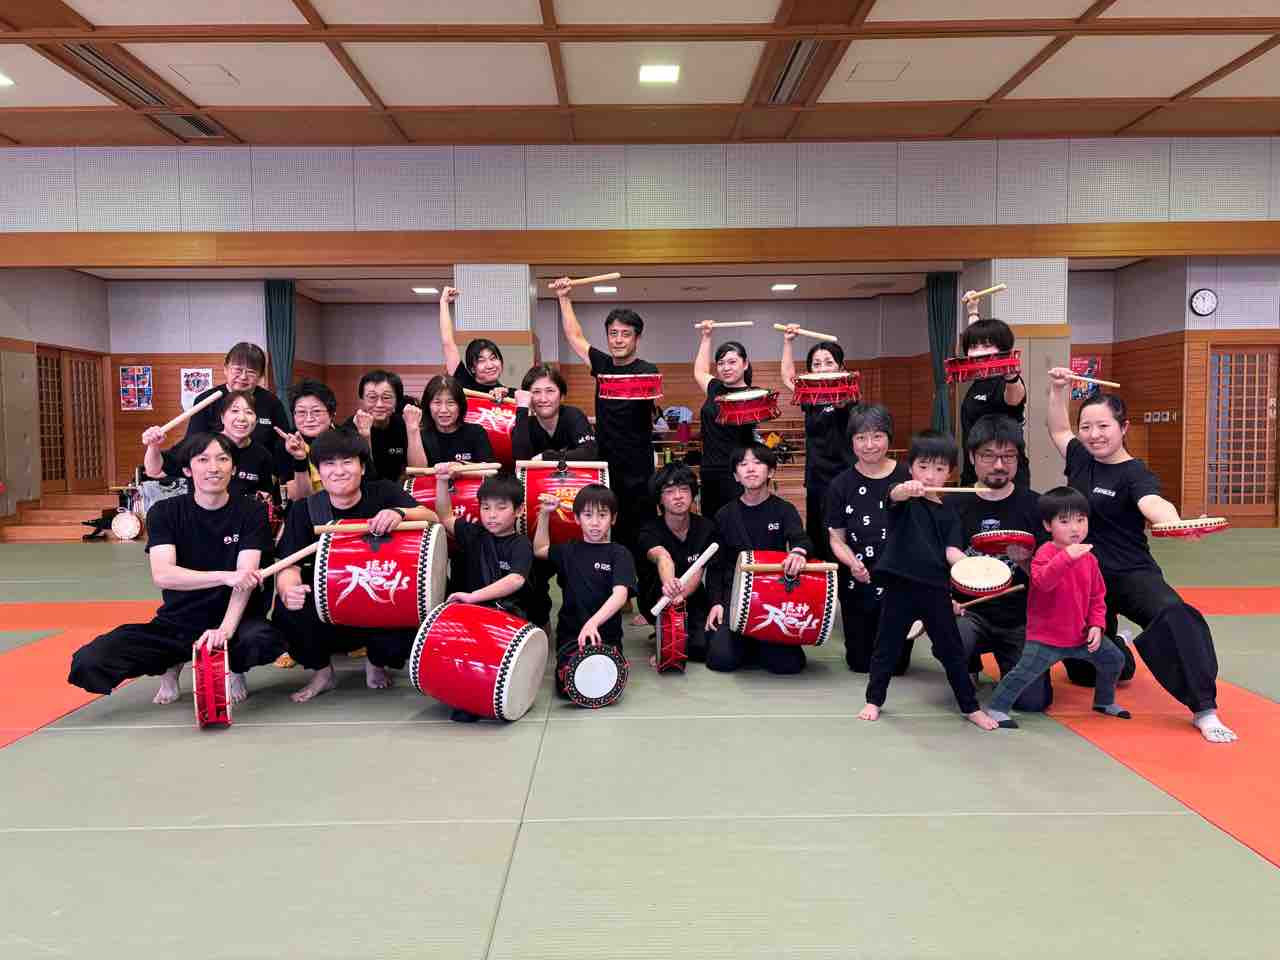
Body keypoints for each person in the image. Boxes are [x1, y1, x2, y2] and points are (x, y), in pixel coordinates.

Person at [1046, 369, 1236, 742]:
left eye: (1103, 426)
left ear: (1124, 428)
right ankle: (1120, 649)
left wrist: (1175, 523)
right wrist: (1057, 389)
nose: (1094, 434)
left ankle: (1204, 709)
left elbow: (1153, 504)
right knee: (1086, 674)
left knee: (1175, 615)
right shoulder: (1080, 458)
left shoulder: (1135, 474)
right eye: (1087, 427)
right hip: (1084, 578)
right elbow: (1057, 429)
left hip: (1129, 572)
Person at [68, 433, 283, 704]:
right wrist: (225, 576)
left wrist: (225, 631)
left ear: (234, 468)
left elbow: (245, 582)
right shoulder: (165, 512)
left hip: (236, 621)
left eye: (222, 459)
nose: (214, 467)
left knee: (262, 639)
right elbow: (164, 575)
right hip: (179, 621)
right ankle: (171, 664)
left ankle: (233, 665)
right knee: (90, 661)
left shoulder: (251, 512)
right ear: (187, 470)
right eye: (203, 460)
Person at [272, 428, 433, 703]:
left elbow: (430, 516)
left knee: (417, 607)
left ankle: (377, 661)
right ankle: (323, 673)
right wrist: (289, 589)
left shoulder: (383, 492)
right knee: (287, 611)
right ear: (319, 470)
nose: (339, 471)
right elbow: (290, 565)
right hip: (330, 611)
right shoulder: (305, 509)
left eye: (347, 462)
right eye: (329, 464)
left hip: (381, 602)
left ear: (362, 467)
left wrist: (400, 512)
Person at [858, 430, 998, 730]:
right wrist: (905, 489)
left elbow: (951, 551)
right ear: (910, 467)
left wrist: (974, 567)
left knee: (951, 651)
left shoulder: (949, 512)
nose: (930, 475)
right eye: (923, 466)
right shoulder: (903, 499)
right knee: (886, 647)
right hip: (899, 586)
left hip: (935, 590)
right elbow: (893, 495)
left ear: (950, 473)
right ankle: (873, 700)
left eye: (939, 468)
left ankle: (970, 707)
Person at [985, 487, 1131, 729]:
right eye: (1064, 522)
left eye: (1080, 520)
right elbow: (1043, 582)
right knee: (1022, 673)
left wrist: (1097, 625)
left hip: (1080, 636)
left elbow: (1097, 596)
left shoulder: (1090, 558)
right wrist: (1067, 557)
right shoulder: (1045, 553)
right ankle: (997, 708)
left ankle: (1104, 702)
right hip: (1045, 638)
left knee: (1114, 660)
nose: (1075, 528)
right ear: (1047, 525)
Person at [551, 277, 659, 555]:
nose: (618, 339)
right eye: (613, 333)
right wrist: (564, 298)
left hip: (638, 466)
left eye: (625, 334)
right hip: (606, 463)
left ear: (636, 338)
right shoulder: (602, 363)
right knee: (607, 529)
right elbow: (575, 337)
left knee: (640, 532)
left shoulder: (647, 370)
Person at [953, 415, 1052, 712]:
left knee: (1033, 702)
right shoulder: (954, 504)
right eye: (989, 456)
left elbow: (1050, 577)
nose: (999, 464)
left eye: (1008, 456)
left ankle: (1011, 663)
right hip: (969, 613)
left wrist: (1027, 562)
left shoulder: (1037, 506)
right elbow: (936, 564)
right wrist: (945, 601)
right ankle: (968, 664)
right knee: (954, 637)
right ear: (972, 457)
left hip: (1020, 619)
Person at [432, 463, 535, 721]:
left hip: (506, 620)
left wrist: (472, 597)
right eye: (486, 507)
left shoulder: (521, 544)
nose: (492, 515)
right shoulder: (474, 534)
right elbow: (445, 516)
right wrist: (442, 481)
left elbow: (515, 580)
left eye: (501, 508)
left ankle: (485, 693)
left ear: (519, 510)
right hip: (473, 617)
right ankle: (470, 694)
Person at [704, 443, 811, 675]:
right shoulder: (724, 515)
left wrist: (797, 552)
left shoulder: (785, 510)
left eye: (757, 463)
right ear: (736, 475)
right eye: (743, 464)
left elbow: (801, 540)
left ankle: (756, 644)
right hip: (735, 599)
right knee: (720, 660)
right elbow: (716, 566)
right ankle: (749, 643)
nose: (750, 469)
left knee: (788, 665)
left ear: (770, 471)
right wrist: (716, 603)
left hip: (772, 600)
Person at [824, 404, 911, 674]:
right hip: (858, 579)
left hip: (899, 580)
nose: (869, 445)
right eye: (861, 437)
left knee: (895, 665)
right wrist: (852, 563)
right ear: (851, 442)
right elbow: (836, 538)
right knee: (860, 663)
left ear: (889, 437)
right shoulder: (840, 484)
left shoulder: (908, 477)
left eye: (877, 436)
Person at [532, 483, 638, 698]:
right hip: (572, 635)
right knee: (569, 687)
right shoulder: (568, 550)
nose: (595, 522)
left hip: (606, 636)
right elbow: (540, 549)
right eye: (588, 515)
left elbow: (620, 596)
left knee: (605, 684)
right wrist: (544, 514)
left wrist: (593, 623)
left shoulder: (620, 553)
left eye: (602, 515)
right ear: (577, 518)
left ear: (613, 518)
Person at [781, 326, 855, 560]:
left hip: (844, 473)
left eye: (829, 362)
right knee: (818, 531)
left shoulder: (848, 394)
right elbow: (787, 377)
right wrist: (788, 341)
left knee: (841, 530)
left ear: (840, 367)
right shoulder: (809, 397)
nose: (822, 368)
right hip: (816, 475)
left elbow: (844, 402)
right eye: (816, 364)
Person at [637, 463, 718, 663]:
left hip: (690, 594)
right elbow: (662, 557)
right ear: (660, 498)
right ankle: (664, 632)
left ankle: (677, 635)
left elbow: (698, 571)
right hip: (658, 595)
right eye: (669, 491)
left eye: (684, 489)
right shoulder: (649, 530)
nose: (678, 496)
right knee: (678, 642)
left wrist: (680, 595)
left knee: (704, 647)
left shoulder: (706, 528)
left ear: (693, 493)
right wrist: (670, 586)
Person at [143, 390, 278, 502]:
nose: (242, 418)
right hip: (199, 519)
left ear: (256, 420)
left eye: (249, 412)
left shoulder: (262, 455)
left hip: (242, 522)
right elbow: (154, 471)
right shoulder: (199, 444)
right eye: (235, 411)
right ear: (222, 417)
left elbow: (266, 495)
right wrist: (153, 446)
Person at [184, 341, 291, 475]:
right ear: (225, 369)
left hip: (260, 476)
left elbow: (283, 445)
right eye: (238, 370)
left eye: (251, 372)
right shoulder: (206, 400)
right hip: (214, 474)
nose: (243, 377)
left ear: (261, 376)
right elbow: (192, 443)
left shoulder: (272, 402)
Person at [956, 302, 1029, 487]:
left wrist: (1011, 375)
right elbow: (976, 343)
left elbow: (1015, 397)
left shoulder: (1006, 382)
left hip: (1004, 476)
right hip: (973, 471)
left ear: (1003, 350)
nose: (977, 352)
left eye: (987, 346)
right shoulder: (980, 379)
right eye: (973, 347)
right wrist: (972, 311)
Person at [694, 328, 760, 520]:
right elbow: (699, 371)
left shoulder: (754, 395)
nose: (726, 367)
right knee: (711, 523)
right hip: (710, 470)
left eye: (732, 362)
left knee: (738, 523)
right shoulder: (714, 388)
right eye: (721, 363)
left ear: (745, 364)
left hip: (738, 472)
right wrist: (706, 337)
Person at [511, 364, 597, 462]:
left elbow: (590, 452)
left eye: (550, 391)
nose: (543, 399)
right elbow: (521, 461)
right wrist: (522, 408)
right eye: (536, 392)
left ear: (562, 396)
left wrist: (548, 457)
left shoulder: (573, 415)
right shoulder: (524, 423)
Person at [406, 375, 495, 467]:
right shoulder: (420, 436)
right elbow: (417, 471)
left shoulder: (476, 432)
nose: (443, 410)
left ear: (460, 406)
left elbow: (490, 469)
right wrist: (412, 430)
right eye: (437, 403)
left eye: (451, 403)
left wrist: (461, 467)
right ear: (428, 406)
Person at [438, 285, 510, 397]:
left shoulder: (509, 394)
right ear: (472, 368)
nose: (490, 365)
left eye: (493, 358)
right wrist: (444, 302)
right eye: (481, 361)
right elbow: (448, 343)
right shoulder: (463, 382)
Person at [278, 379, 338, 500]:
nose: (309, 419)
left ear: (332, 414)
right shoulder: (287, 444)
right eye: (301, 412)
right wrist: (299, 459)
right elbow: (298, 498)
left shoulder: (346, 440)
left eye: (316, 411)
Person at [346, 370, 410, 482]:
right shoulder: (349, 428)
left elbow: (418, 470)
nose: (379, 404)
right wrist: (365, 435)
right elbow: (365, 476)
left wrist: (413, 429)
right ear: (362, 400)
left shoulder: (403, 423)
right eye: (372, 397)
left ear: (397, 400)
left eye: (386, 398)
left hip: (396, 487)